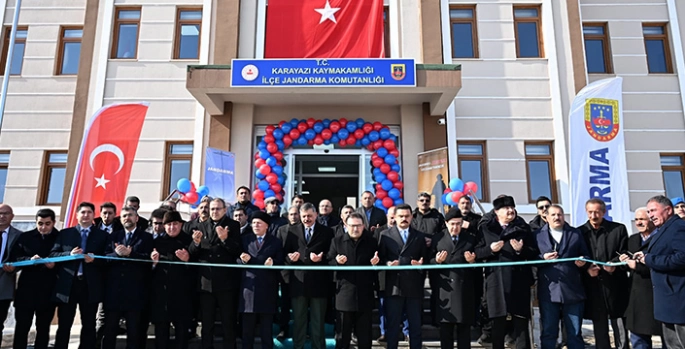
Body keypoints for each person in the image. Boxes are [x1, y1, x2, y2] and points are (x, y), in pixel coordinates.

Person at [476, 195, 538, 349]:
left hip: (518, 280)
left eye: (512, 207)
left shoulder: (522, 228)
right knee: (498, 322)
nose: (510, 210)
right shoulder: (486, 228)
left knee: (520, 322)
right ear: (497, 212)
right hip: (496, 281)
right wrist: (490, 249)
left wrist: (520, 250)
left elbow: (533, 252)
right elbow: (477, 252)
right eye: (506, 208)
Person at [51, 202, 108, 349]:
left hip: (90, 285)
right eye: (83, 212)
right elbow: (53, 255)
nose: (86, 215)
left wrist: (95, 259)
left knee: (89, 324)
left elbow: (108, 259)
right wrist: (68, 255)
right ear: (77, 215)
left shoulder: (102, 236)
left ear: (93, 215)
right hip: (68, 285)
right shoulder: (65, 233)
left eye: (89, 212)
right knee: (64, 324)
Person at [189, 198, 242, 349]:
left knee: (228, 322)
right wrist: (196, 243)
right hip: (206, 283)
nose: (214, 212)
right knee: (207, 323)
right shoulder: (201, 225)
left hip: (226, 282)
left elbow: (237, 250)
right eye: (212, 209)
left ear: (225, 210)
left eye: (218, 209)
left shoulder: (233, 225)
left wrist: (225, 239)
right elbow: (193, 254)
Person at [634, 195, 685, 349]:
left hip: (679, 299)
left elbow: (682, 258)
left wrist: (649, 260)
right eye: (649, 212)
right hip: (667, 300)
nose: (650, 215)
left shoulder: (678, 227)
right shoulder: (664, 229)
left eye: (653, 210)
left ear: (668, 210)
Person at [536, 205, 589, 349]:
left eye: (559, 214)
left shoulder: (575, 233)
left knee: (575, 332)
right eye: (553, 215)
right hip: (549, 291)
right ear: (546, 217)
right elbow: (531, 258)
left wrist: (583, 261)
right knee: (548, 332)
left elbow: (586, 254)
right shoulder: (537, 235)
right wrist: (542, 258)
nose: (556, 217)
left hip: (572, 290)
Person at [579, 198, 630, 349]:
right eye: (590, 212)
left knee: (620, 324)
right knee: (599, 326)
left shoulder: (618, 229)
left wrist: (615, 264)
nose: (593, 215)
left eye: (597, 212)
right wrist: (587, 268)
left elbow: (624, 252)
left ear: (604, 212)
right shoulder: (580, 232)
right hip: (593, 285)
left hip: (615, 284)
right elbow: (578, 256)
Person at [283, 202, 334, 349]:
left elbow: (331, 254)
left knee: (318, 322)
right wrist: (290, 258)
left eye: (310, 216)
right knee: (299, 321)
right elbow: (284, 253)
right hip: (298, 283)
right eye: (304, 216)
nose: (307, 219)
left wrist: (322, 257)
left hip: (319, 283)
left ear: (316, 215)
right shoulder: (292, 231)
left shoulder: (327, 232)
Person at [102, 206, 154, 349]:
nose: (127, 218)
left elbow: (148, 261)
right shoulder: (113, 237)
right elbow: (104, 258)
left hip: (136, 293)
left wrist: (130, 254)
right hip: (114, 293)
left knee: (134, 333)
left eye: (130, 215)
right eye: (124, 216)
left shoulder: (147, 237)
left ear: (136, 218)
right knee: (110, 332)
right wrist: (117, 254)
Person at [328, 212, 380, 349]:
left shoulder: (372, 242)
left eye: (358, 226)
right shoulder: (337, 241)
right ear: (345, 226)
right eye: (352, 226)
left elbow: (379, 265)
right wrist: (337, 262)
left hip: (365, 294)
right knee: (342, 337)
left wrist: (376, 263)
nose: (355, 229)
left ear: (364, 226)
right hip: (344, 295)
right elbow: (328, 262)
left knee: (365, 337)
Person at [379, 203, 427, 349]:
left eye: (407, 216)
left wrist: (420, 265)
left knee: (415, 326)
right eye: (401, 216)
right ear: (395, 217)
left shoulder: (419, 236)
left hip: (414, 287)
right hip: (394, 287)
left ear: (412, 217)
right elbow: (380, 259)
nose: (404, 219)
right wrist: (387, 264)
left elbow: (425, 258)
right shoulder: (385, 235)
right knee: (393, 326)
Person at [9, 208, 59, 349]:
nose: (43, 227)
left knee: (43, 329)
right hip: (26, 290)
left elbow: (65, 260)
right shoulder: (25, 237)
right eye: (40, 223)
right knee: (22, 328)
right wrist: (30, 260)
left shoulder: (60, 238)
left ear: (53, 223)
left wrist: (53, 265)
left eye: (47, 224)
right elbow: (15, 258)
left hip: (48, 291)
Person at [430, 207, 477, 349]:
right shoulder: (437, 239)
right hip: (445, 292)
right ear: (446, 223)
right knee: (446, 333)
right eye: (452, 224)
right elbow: (428, 261)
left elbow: (479, 264)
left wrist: (472, 262)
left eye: (458, 224)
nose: (455, 227)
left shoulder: (470, 239)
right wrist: (436, 261)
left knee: (464, 333)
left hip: (464, 291)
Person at [150, 211, 196, 349]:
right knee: (161, 332)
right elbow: (149, 271)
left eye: (175, 224)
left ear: (181, 224)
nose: (172, 227)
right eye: (168, 224)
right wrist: (154, 263)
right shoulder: (157, 242)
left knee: (182, 332)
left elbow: (197, 269)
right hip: (162, 294)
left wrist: (187, 261)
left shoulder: (188, 241)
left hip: (183, 294)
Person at [239, 211, 284, 349]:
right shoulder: (245, 239)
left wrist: (273, 262)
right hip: (249, 290)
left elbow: (281, 261)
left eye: (259, 223)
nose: (255, 225)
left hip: (267, 289)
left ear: (267, 226)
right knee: (247, 332)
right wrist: (242, 260)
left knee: (266, 331)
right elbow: (235, 258)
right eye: (253, 223)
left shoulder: (275, 242)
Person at [620, 207, 664, 349]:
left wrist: (638, 266)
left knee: (668, 338)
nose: (638, 223)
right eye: (636, 219)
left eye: (642, 219)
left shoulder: (661, 238)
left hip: (657, 294)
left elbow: (665, 263)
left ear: (651, 220)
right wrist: (623, 261)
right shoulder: (633, 239)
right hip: (637, 296)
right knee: (638, 339)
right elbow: (628, 264)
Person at [375, 205, 409, 343]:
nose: (395, 219)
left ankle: (406, 332)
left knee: (406, 307)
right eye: (392, 216)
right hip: (385, 276)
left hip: (404, 278)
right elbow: (377, 252)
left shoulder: (407, 231)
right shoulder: (379, 231)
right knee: (384, 307)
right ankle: (384, 332)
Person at [412, 192, 445, 327]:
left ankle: (435, 319)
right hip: (416, 258)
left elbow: (444, 233)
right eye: (422, 200)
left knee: (436, 288)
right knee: (416, 290)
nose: (424, 202)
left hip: (434, 257)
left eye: (427, 200)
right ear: (417, 202)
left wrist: (433, 240)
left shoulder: (438, 216)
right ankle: (417, 320)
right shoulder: (412, 216)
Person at [275, 205, 301, 340]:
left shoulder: (304, 229)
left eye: (296, 214)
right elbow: (278, 250)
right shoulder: (281, 230)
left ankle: (302, 331)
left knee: (301, 305)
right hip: (286, 272)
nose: (294, 216)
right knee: (285, 304)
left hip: (302, 272)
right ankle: (283, 329)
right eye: (291, 214)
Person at [0, 203, 20, 344]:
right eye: (0, 213)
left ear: (12, 216)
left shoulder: (19, 236)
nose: (2, 216)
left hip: (4, 285)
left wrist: (15, 267)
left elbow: (21, 258)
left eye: (6, 213)